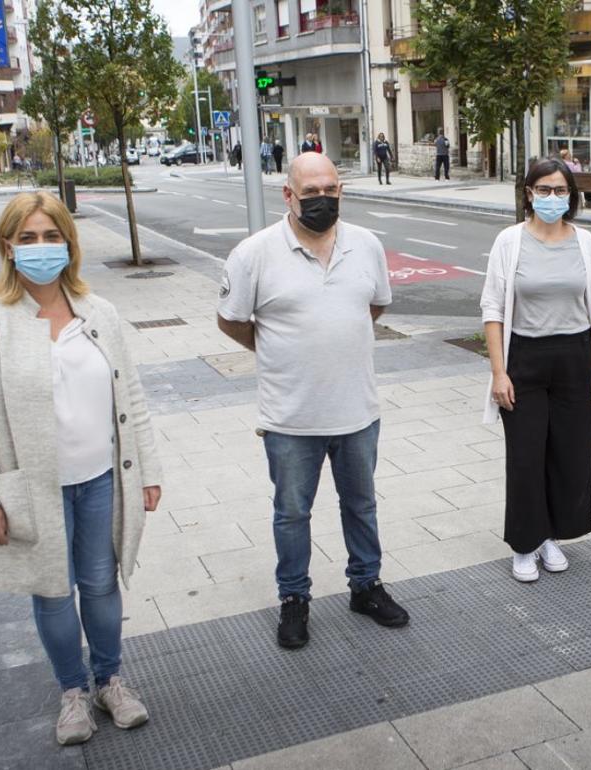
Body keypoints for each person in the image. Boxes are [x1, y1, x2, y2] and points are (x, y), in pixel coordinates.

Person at [0, 192, 162, 746]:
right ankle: (73, 692)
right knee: (53, 591)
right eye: (29, 238)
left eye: (51, 236)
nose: (41, 247)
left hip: (101, 478)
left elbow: (130, 397)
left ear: (69, 243)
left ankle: (110, 679)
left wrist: (149, 471)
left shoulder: (99, 312)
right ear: (8, 247)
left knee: (101, 584)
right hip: (32, 487)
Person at [217, 152, 409, 649]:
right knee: (291, 513)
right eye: (311, 193)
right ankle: (294, 600)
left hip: (357, 410)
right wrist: (279, 349)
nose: (323, 200)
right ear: (288, 196)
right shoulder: (254, 254)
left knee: (361, 504)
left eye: (332, 190)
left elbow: (375, 304)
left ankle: (366, 586)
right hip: (290, 416)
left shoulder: (365, 245)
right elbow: (231, 318)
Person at [480, 158, 591, 583]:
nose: (551, 198)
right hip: (525, 358)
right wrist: (499, 373)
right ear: (528, 193)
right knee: (525, 456)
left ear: (571, 195)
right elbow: (493, 310)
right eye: (544, 190)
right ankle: (524, 543)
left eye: (560, 190)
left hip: (576, 357)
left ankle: (549, 535)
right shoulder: (510, 241)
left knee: (568, 455)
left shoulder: (586, 242)